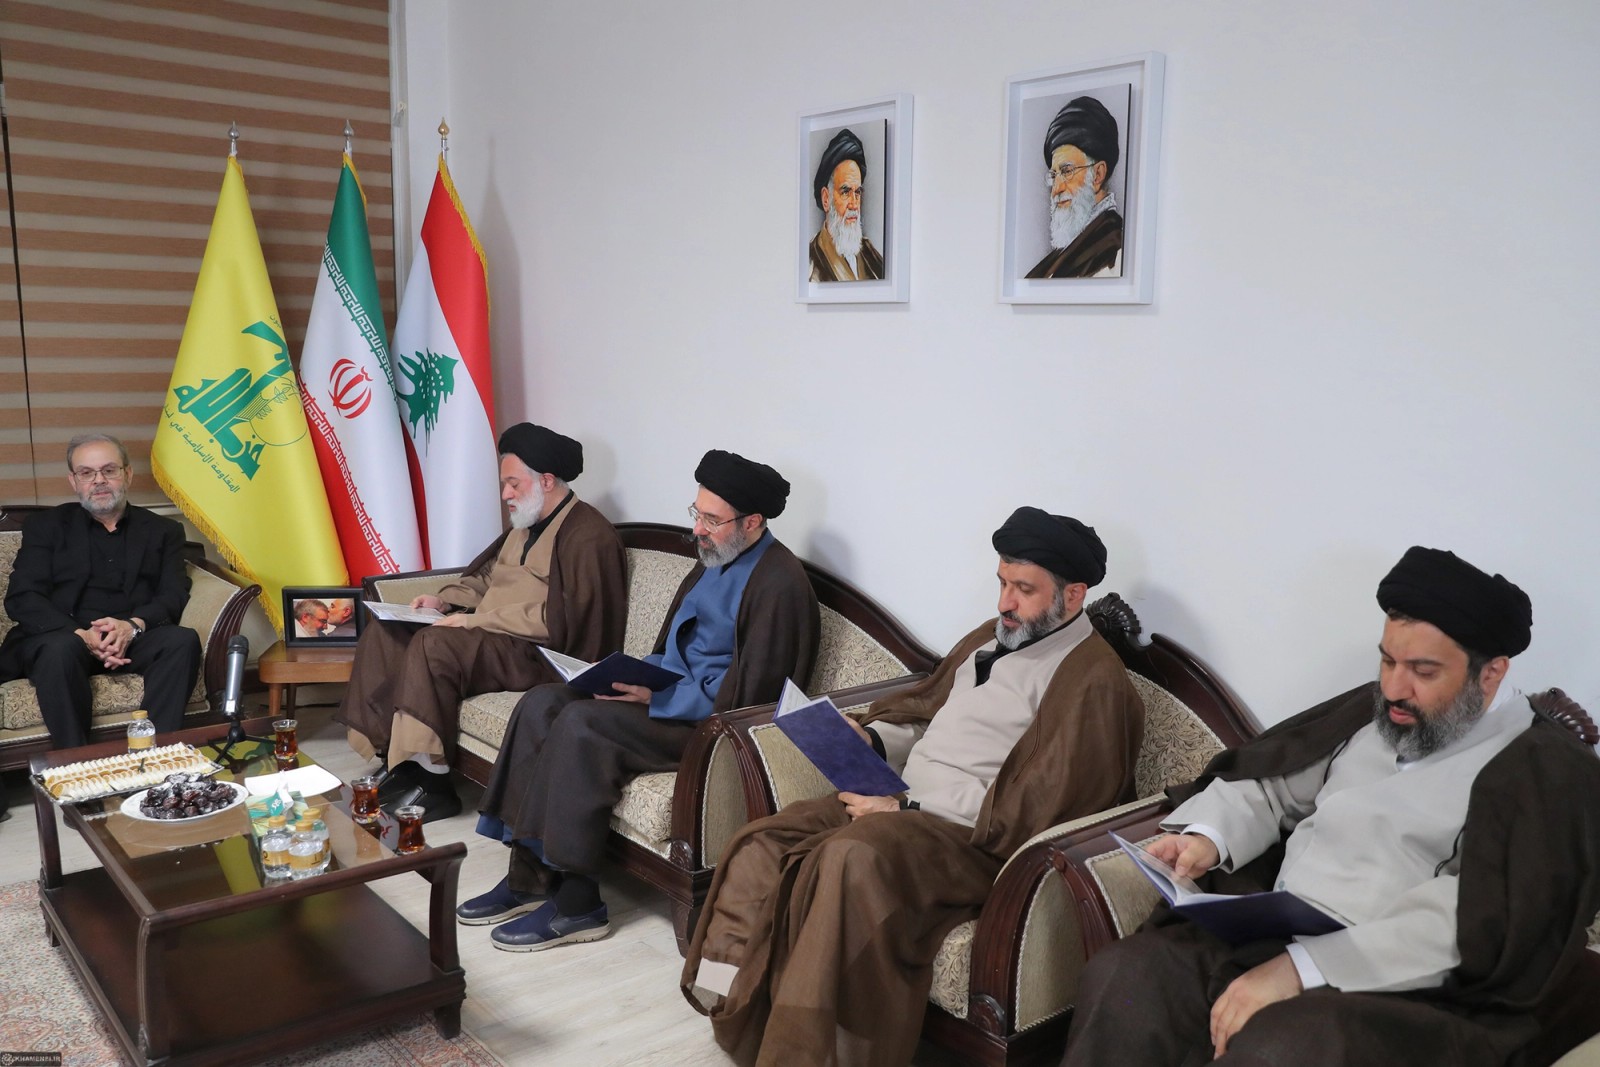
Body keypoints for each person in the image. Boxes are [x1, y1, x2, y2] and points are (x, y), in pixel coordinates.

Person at [1063, 547, 1600, 1067]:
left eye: (1423, 671)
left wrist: (1301, 969)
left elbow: (1476, 918)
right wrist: (1208, 839)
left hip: (1397, 984)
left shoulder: (1542, 769)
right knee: (1128, 975)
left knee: (1286, 1048)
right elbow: (1273, 787)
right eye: (1387, 660)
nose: (1394, 687)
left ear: (1491, 673)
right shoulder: (1376, 714)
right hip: (1270, 935)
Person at [681, 507, 1147, 1066]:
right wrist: (874, 740)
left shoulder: (1094, 683)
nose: (1005, 602)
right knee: (762, 842)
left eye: (1024, 589)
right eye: (1002, 582)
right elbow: (931, 714)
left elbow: (1044, 809)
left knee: (850, 857)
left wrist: (907, 807)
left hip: (971, 840)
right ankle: (736, 1010)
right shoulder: (993, 635)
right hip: (896, 803)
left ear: (1073, 595)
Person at [457, 449, 822, 952]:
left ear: (753, 521)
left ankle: (579, 903)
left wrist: (659, 695)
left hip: (708, 729)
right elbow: (675, 647)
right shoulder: (716, 558)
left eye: (711, 520)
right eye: (697, 513)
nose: (697, 529)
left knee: (583, 725)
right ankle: (529, 877)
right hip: (670, 697)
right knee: (542, 703)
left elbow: (750, 700)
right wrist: (630, 676)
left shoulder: (779, 585)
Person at [336, 423, 629, 822]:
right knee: (388, 631)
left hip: (539, 653)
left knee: (435, 646)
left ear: (546, 481)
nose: (505, 494)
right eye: (504, 484)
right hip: (494, 638)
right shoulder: (525, 524)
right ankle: (398, 761)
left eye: (513, 484)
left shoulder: (588, 535)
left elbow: (568, 621)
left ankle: (433, 782)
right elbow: (487, 579)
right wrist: (444, 601)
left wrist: (474, 622)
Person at [0, 433, 201, 750]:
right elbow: (23, 596)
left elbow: (173, 593)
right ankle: (77, 763)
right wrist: (81, 634)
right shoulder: (47, 526)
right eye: (87, 472)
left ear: (127, 474)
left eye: (109, 470)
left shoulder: (164, 531)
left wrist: (132, 627)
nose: (99, 480)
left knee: (182, 640)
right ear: (73, 480)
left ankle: (155, 757)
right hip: (65, 638)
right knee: (59, 649)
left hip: (130, 638)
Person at [1025, 95, 1124, 279]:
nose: (1056, 189)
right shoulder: (1064, 251)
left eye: (1067, 171)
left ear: (1098, 175)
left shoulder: (1115, 252)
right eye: (1054, 175)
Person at [808, 128, 884, 282]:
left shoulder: (870, 254)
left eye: (857, 192)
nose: (854, 204)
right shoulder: (809, 264)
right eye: (845, 192)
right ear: (826, 198)